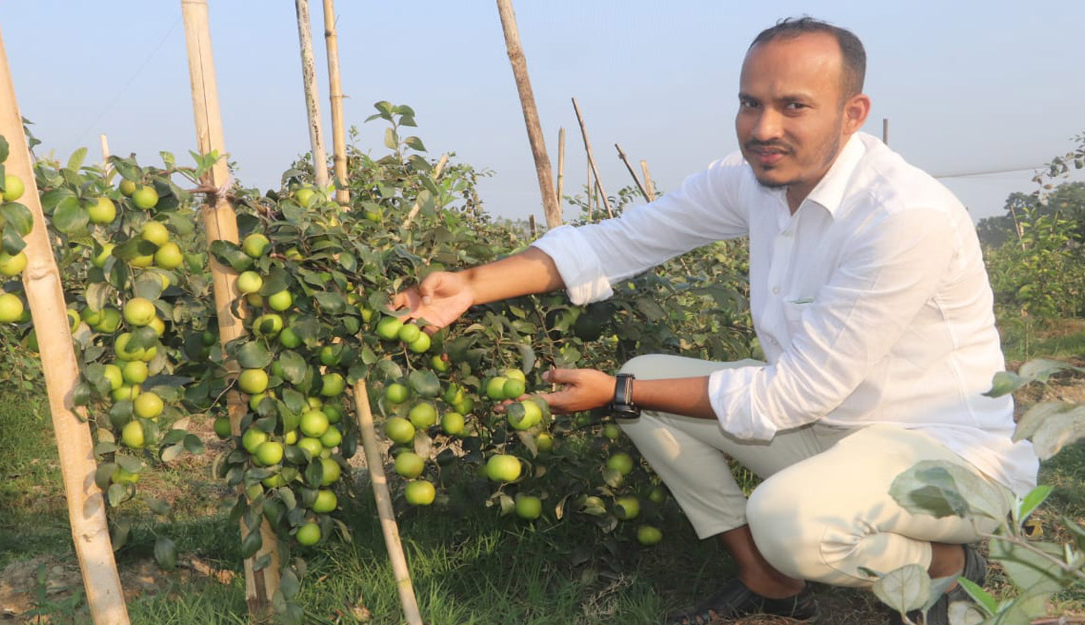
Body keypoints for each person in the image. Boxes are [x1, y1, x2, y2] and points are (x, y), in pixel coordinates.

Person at [393, 17, 1038, 625]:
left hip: (947, 457)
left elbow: (794, 393)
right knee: (646, 379)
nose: (763, 127)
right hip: (833, 430)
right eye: (750, 103)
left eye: (794, 106)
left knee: (785, 519)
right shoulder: (754, 181)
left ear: (853, 113)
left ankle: (950, 565)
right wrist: (470, 286)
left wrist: (617, 392)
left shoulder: (902, 217)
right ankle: (769, 579)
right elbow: (620, 241)